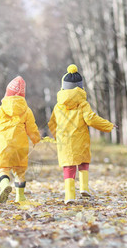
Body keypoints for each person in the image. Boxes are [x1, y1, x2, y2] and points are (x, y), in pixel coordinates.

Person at [48, 64, 115, 204]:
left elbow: (52, 123)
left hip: (65, 142)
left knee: (69, 167)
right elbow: (91, 119)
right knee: (83, 161)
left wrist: (57, 137)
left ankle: (69, 196)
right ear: (80, 87)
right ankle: (84, 187)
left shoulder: (58, 106)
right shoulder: (83, 104)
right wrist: (108, 126)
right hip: (80, 140)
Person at [0, 76, 41, 203]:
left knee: (1, 169)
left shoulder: (0, 110)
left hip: (3, 147)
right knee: (20, 172)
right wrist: (36, 139)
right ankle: (20, 197)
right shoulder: (27, 111)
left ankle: (4, 184)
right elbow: (32, 129)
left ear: (7, 94)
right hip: (20, 148)